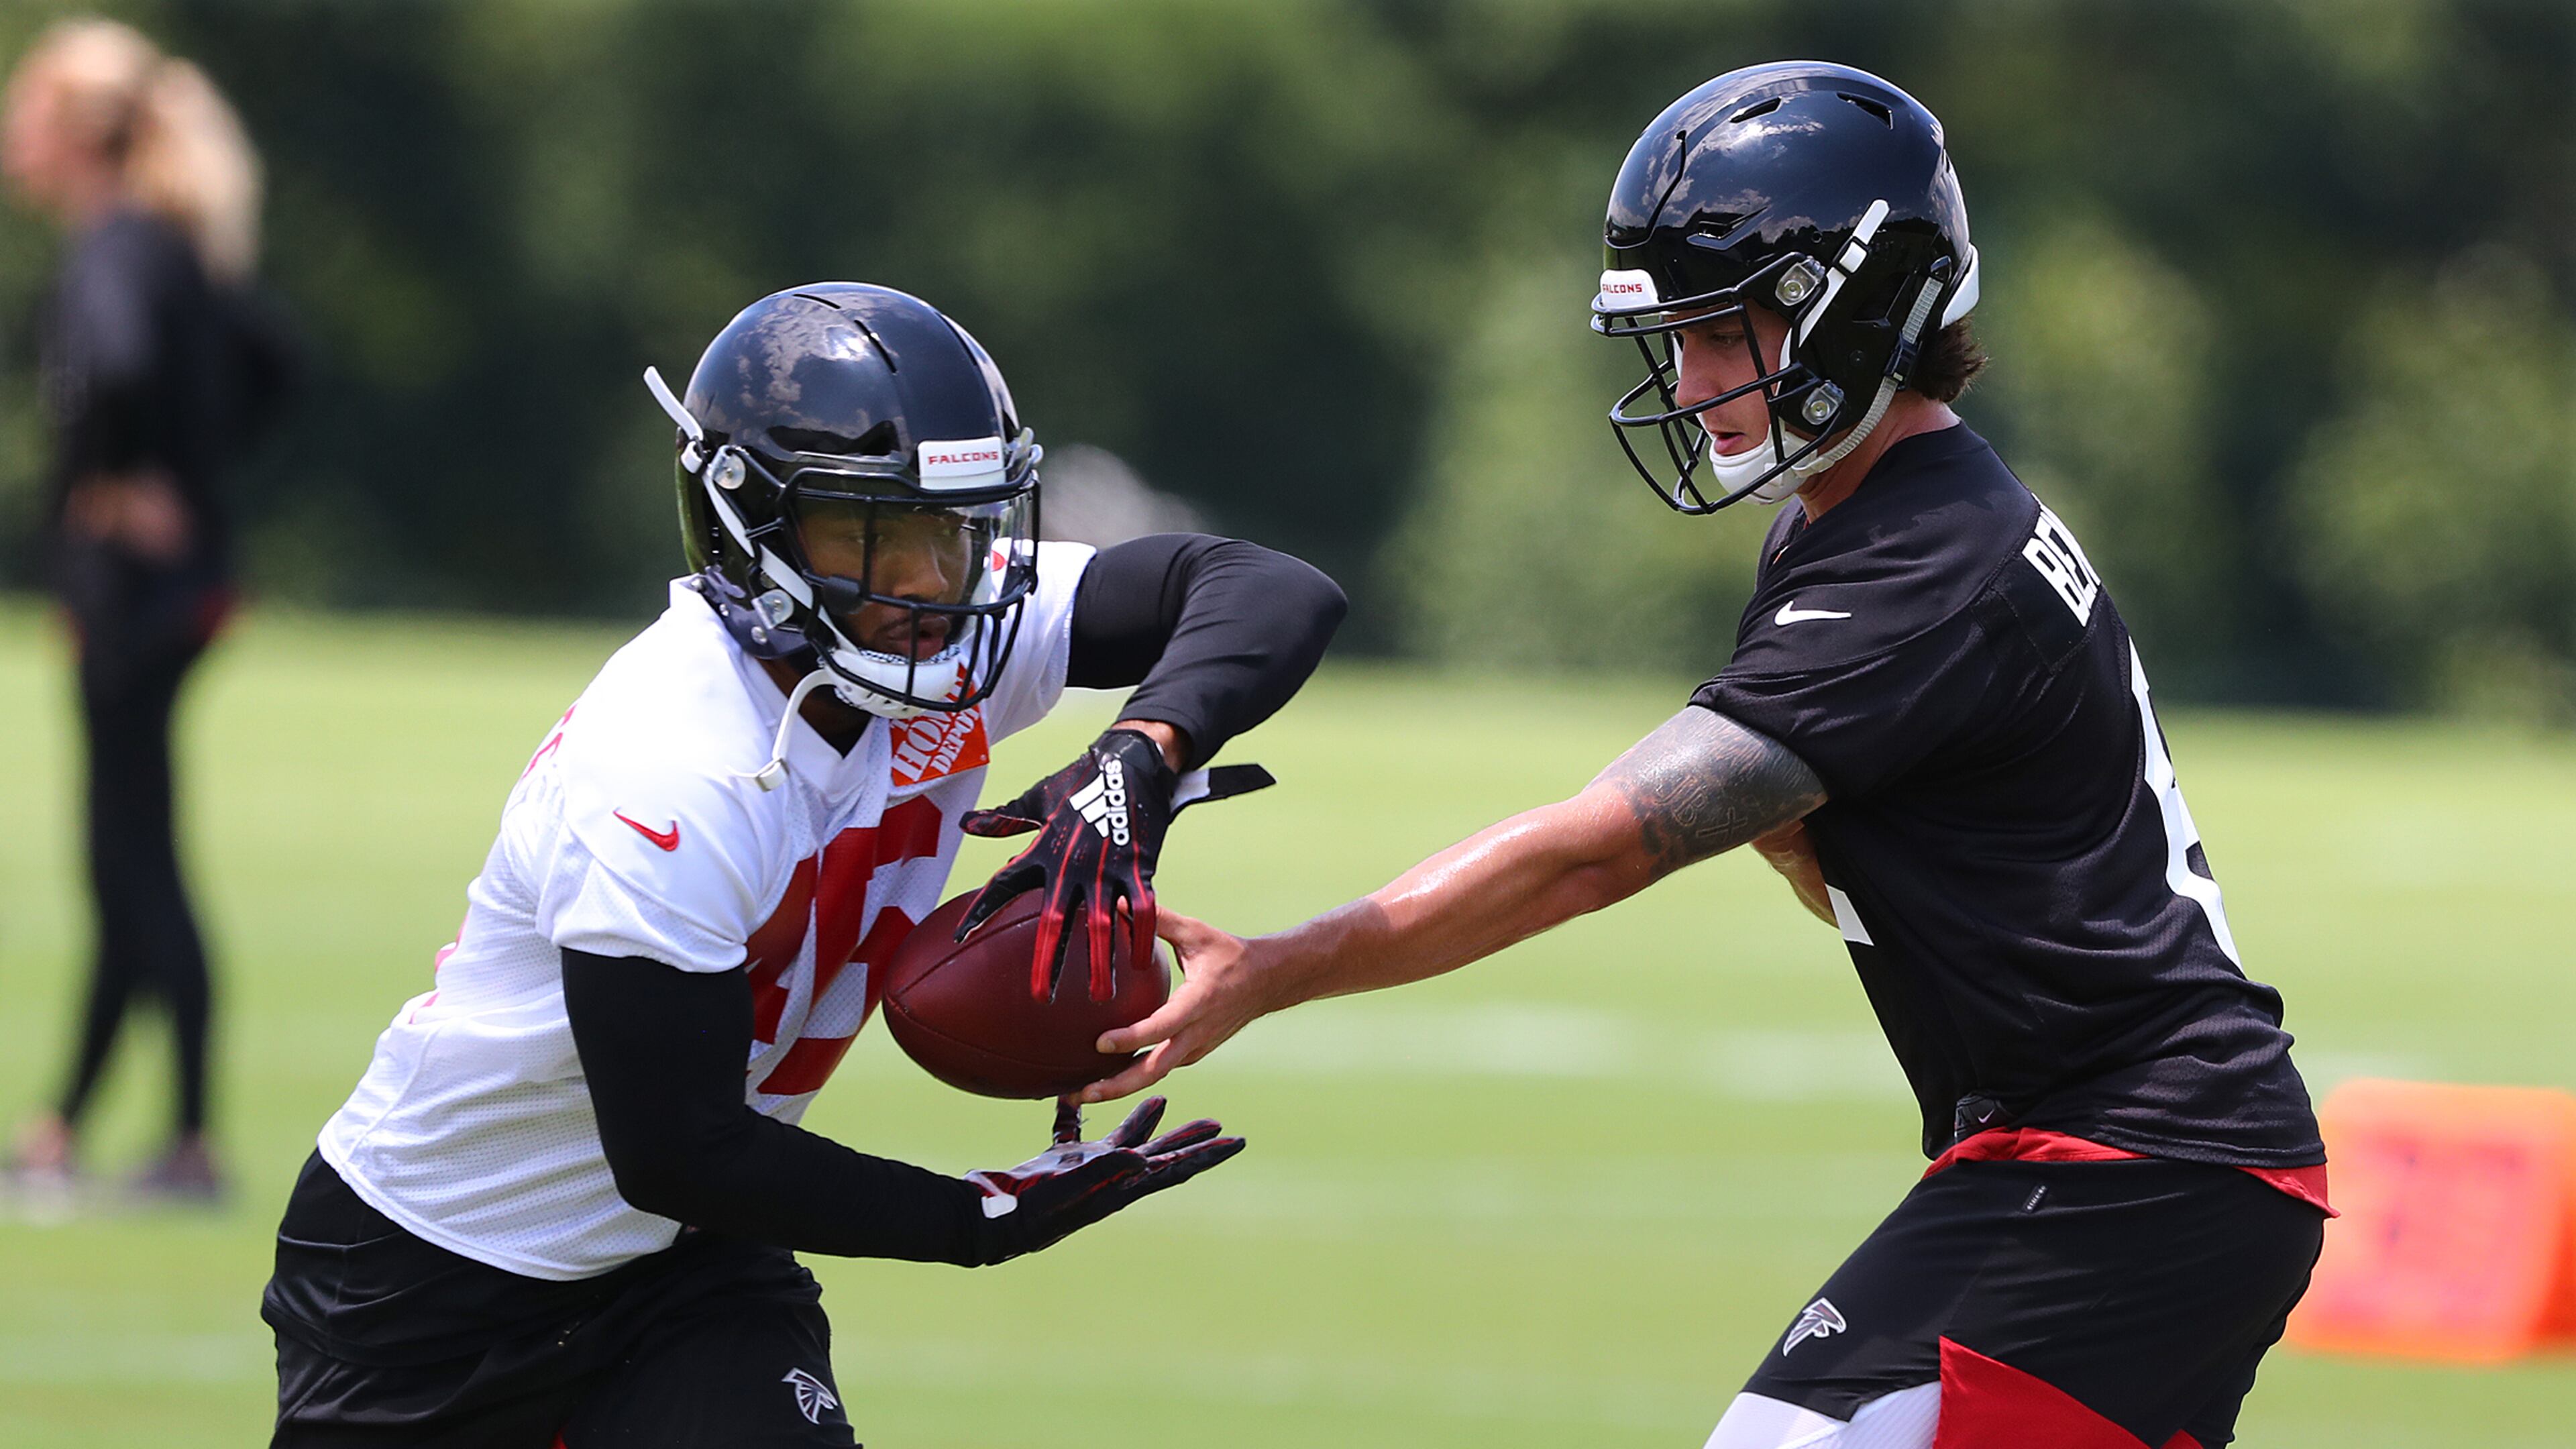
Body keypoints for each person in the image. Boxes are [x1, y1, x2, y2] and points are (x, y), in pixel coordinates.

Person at [1085, 62, 2330, 1449]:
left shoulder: (1919, 559)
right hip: (2147, 1162)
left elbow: (1592, 854)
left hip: (2129, 1164)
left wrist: (1275, 967)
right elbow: (1858, 863)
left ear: (1860, 303)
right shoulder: (1861, 516)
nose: (1691, 383)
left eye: (1725, 333)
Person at [259, 282, 1345, 1447]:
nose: (929, 581)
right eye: (875, 532)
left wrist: (1136, 758)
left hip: (687, 1272)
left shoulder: (938, 635)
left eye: (953, 529)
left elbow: (1271, 591)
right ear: (752, 524)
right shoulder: (674, 761)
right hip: (434, 1280)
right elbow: (678, 1152)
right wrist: (977, 1216)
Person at [2, 17, 294, 1203]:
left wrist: (126, 483)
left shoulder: (118, 244)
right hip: (177, 591)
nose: (12, 136)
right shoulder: (169, 241)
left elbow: (118, 369)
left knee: (135, 864)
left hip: (134, 597)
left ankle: (187, 1147)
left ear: (76, 132)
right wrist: (199, 475)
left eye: (26, 113)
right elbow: (276, 364)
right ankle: (63, 1133)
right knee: (127, 862)